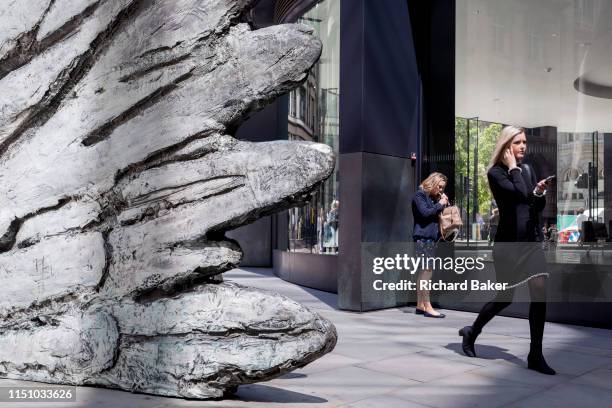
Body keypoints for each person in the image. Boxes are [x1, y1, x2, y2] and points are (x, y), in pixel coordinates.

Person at [458, 125, 556, 375]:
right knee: (505, 298)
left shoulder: (526, 169)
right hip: (508, 245)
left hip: (530, 242)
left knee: (540, 290)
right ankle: (473, 330)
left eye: (525, 142)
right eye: (518, 142)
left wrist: (539, 192)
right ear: (507, 146)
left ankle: (535, 354)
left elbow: (532, 203)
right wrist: (516, 172)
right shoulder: (496, 173)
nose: (524, 146)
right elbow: (517, 196)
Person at [412, 172, 449, 318]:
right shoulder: (419, 195)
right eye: (439, 187)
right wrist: (440, 204)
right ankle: (427, 306)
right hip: (423, 238)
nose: (440, 190)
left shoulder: (432, 198)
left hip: (429, 239)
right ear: (433, 182)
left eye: (442, 188)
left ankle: (420, 305)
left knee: (424, 272)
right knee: (426, 273)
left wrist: (441, 202)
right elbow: (425, 213)